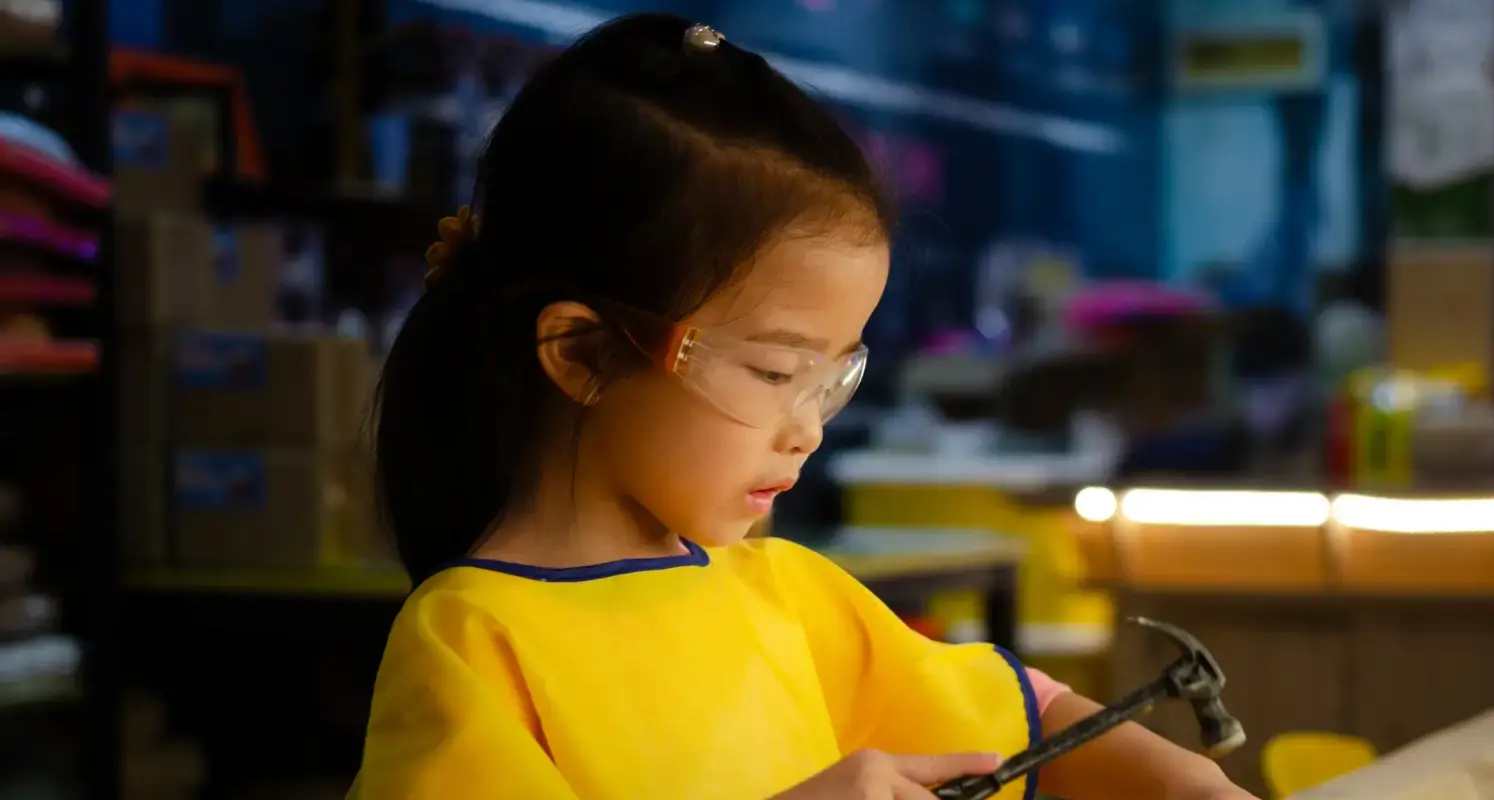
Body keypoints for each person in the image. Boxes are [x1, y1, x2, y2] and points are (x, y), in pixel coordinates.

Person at [352, 13, 1254, 800]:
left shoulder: (786, 594)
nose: (809, 428)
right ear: (582, 352)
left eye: (833, 376)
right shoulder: (475, 643)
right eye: (775, 372)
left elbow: (1028, 712)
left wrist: (1182, 782)